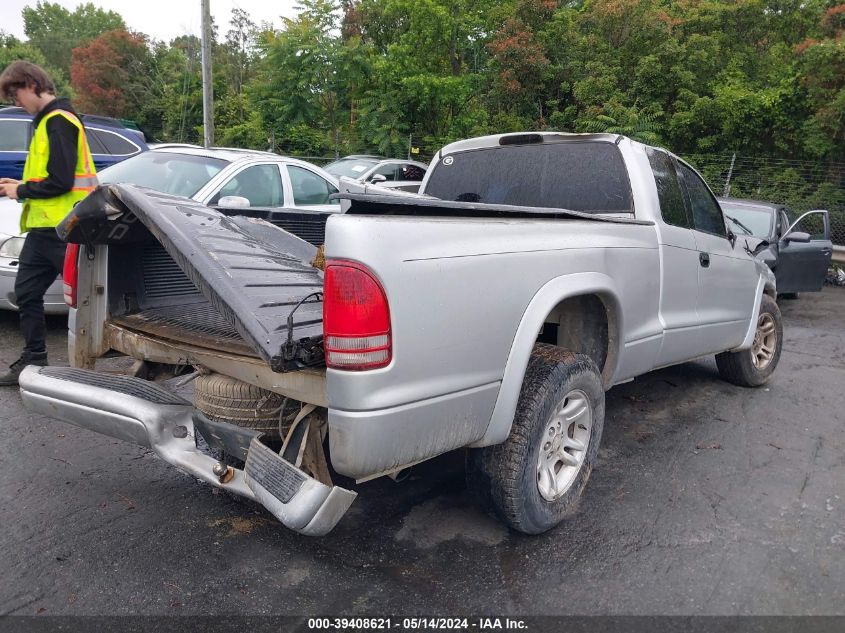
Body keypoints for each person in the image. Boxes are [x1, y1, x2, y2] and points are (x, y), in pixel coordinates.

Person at [0, 61, 97, 386]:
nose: (16, 102)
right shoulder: (47, 123)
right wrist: (20, 182)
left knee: (91, 302)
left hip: (66, 230)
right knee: (27, 293)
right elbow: (52, 176)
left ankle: (93, 370)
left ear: (30, 85)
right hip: (44, 231)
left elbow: (60, 181)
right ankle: (33, 360)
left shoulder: (59, 122)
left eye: (15, 94)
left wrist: (21, 190)